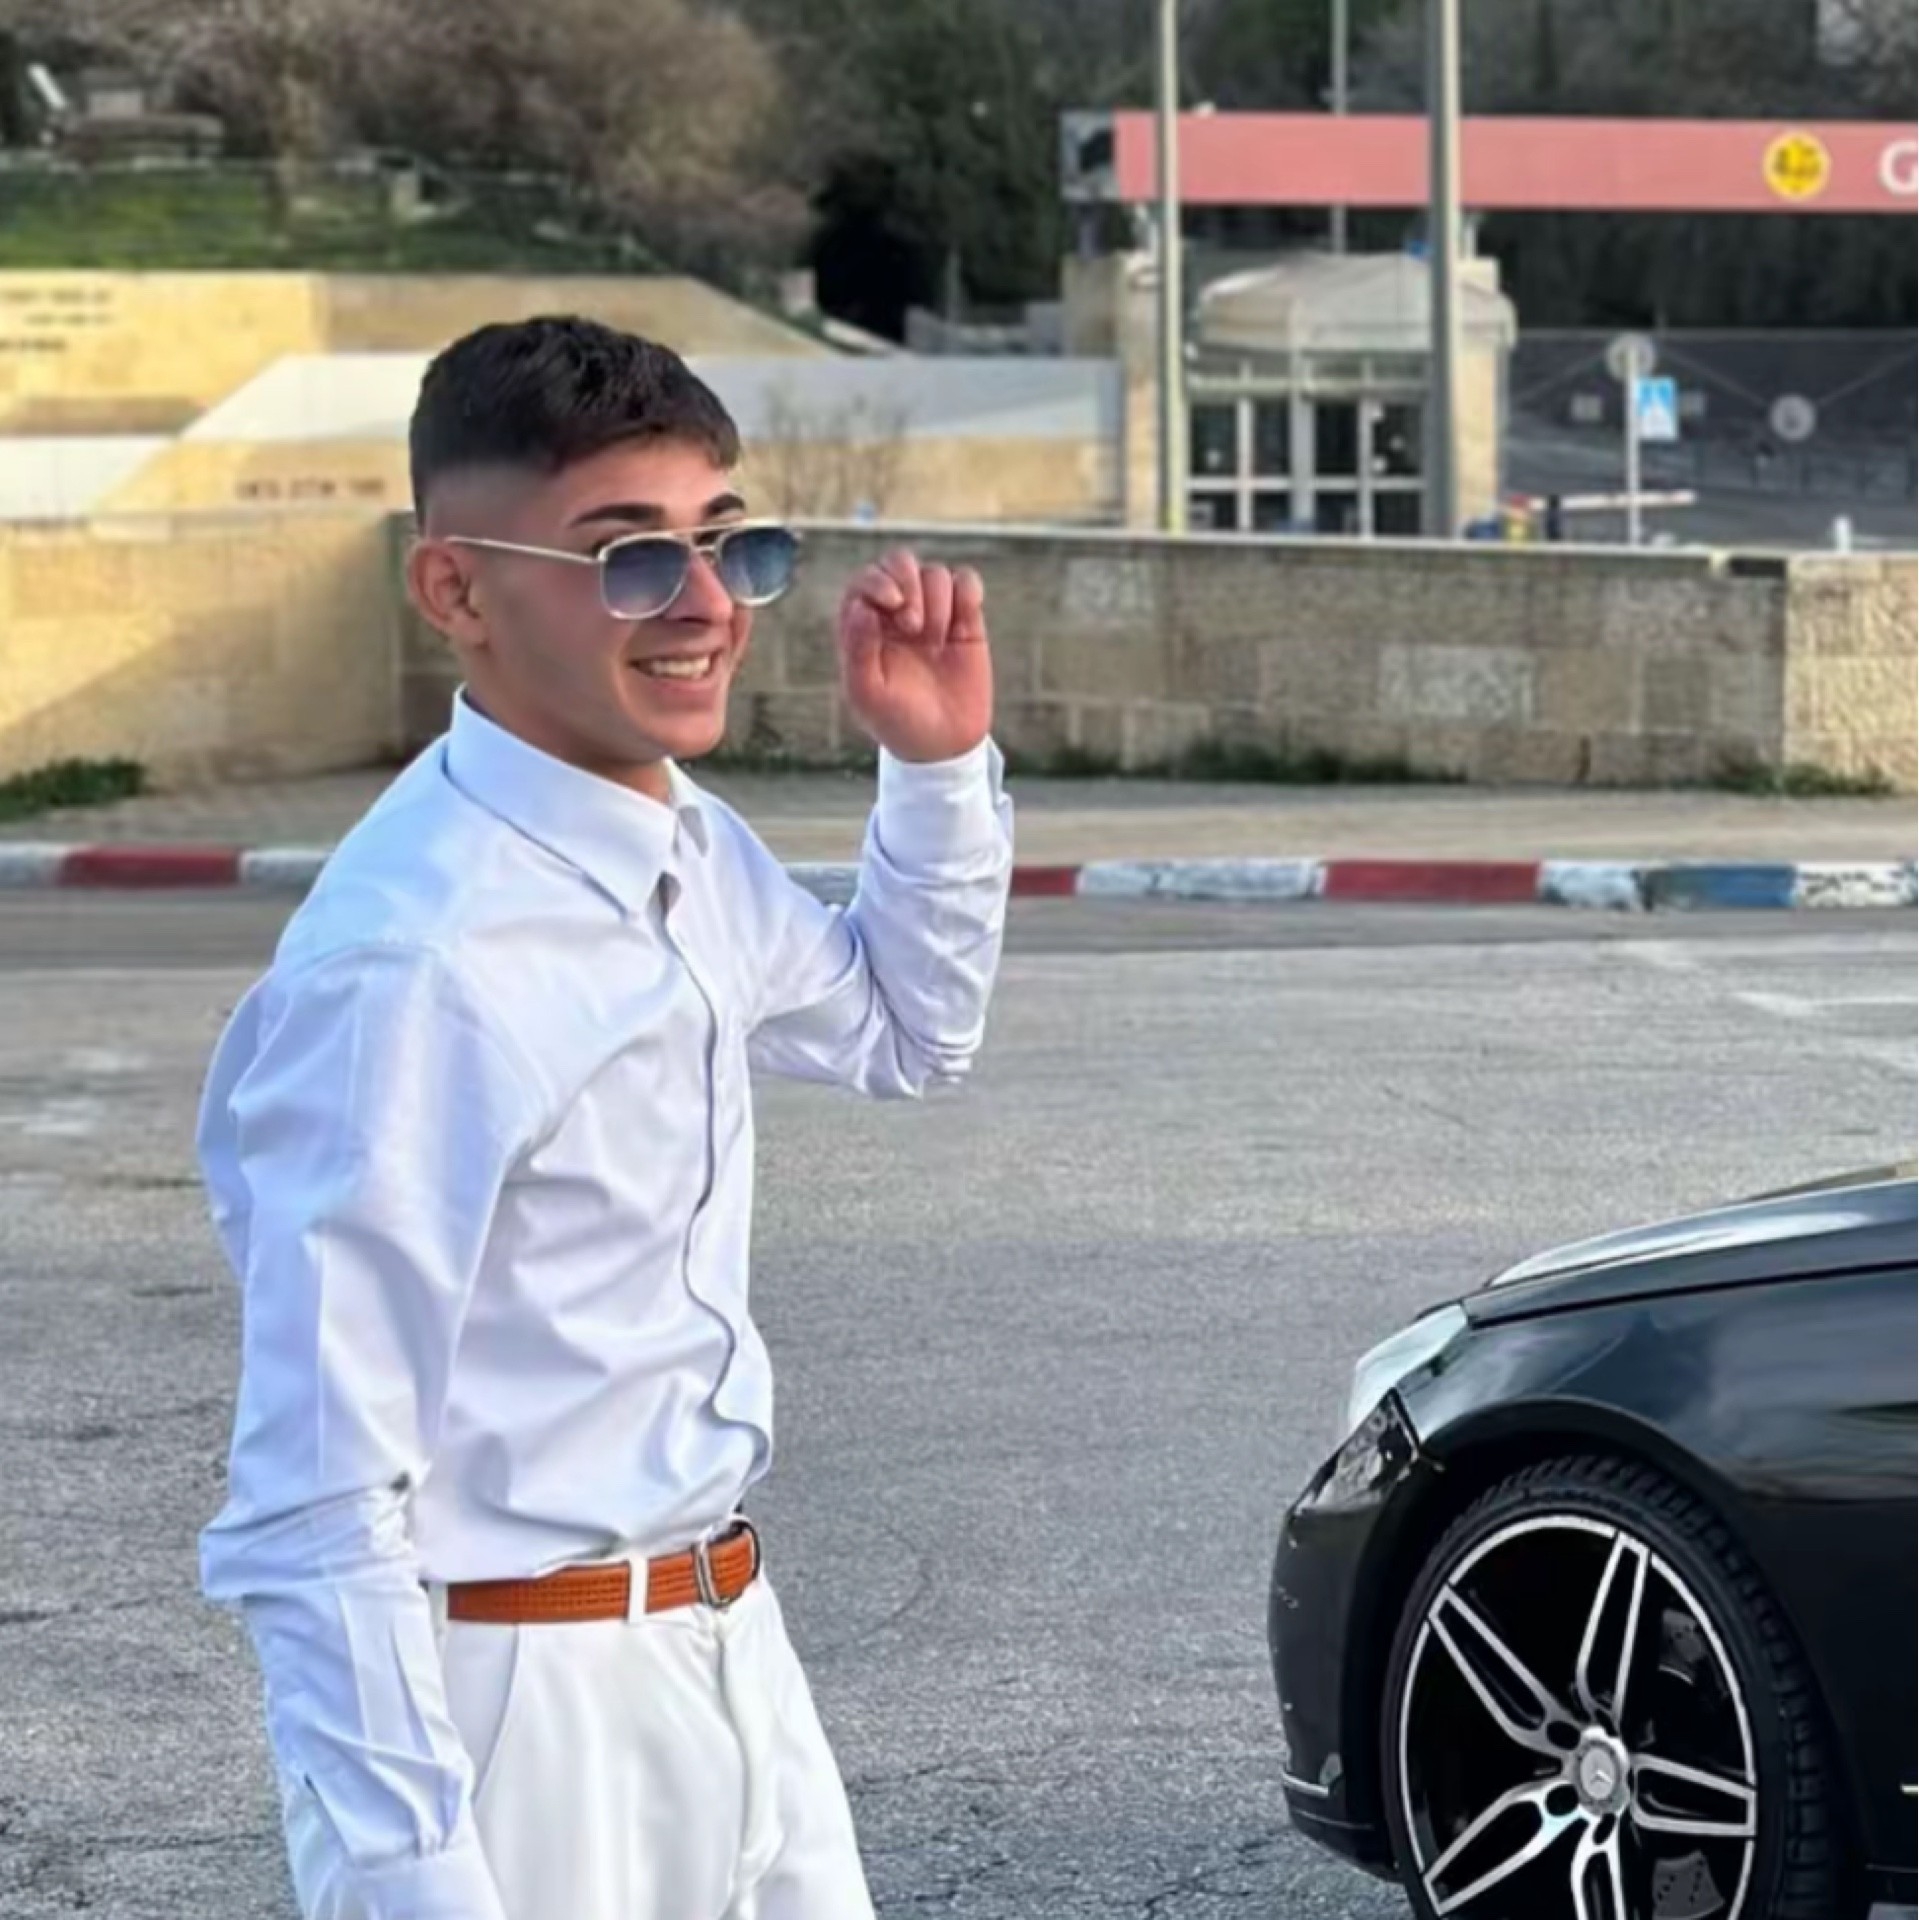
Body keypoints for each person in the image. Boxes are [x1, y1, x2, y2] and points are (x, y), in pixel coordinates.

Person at [195, 316, 1013, 1920]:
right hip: (519, 1712)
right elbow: (311, 1508)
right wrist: (415, 1879)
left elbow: (906, 1033)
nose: (705, 606)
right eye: (629, 558)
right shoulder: (416, 966)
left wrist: (934, 768)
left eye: (728, 544)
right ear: (457, 591)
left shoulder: (679, 841)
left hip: (727, 1643)